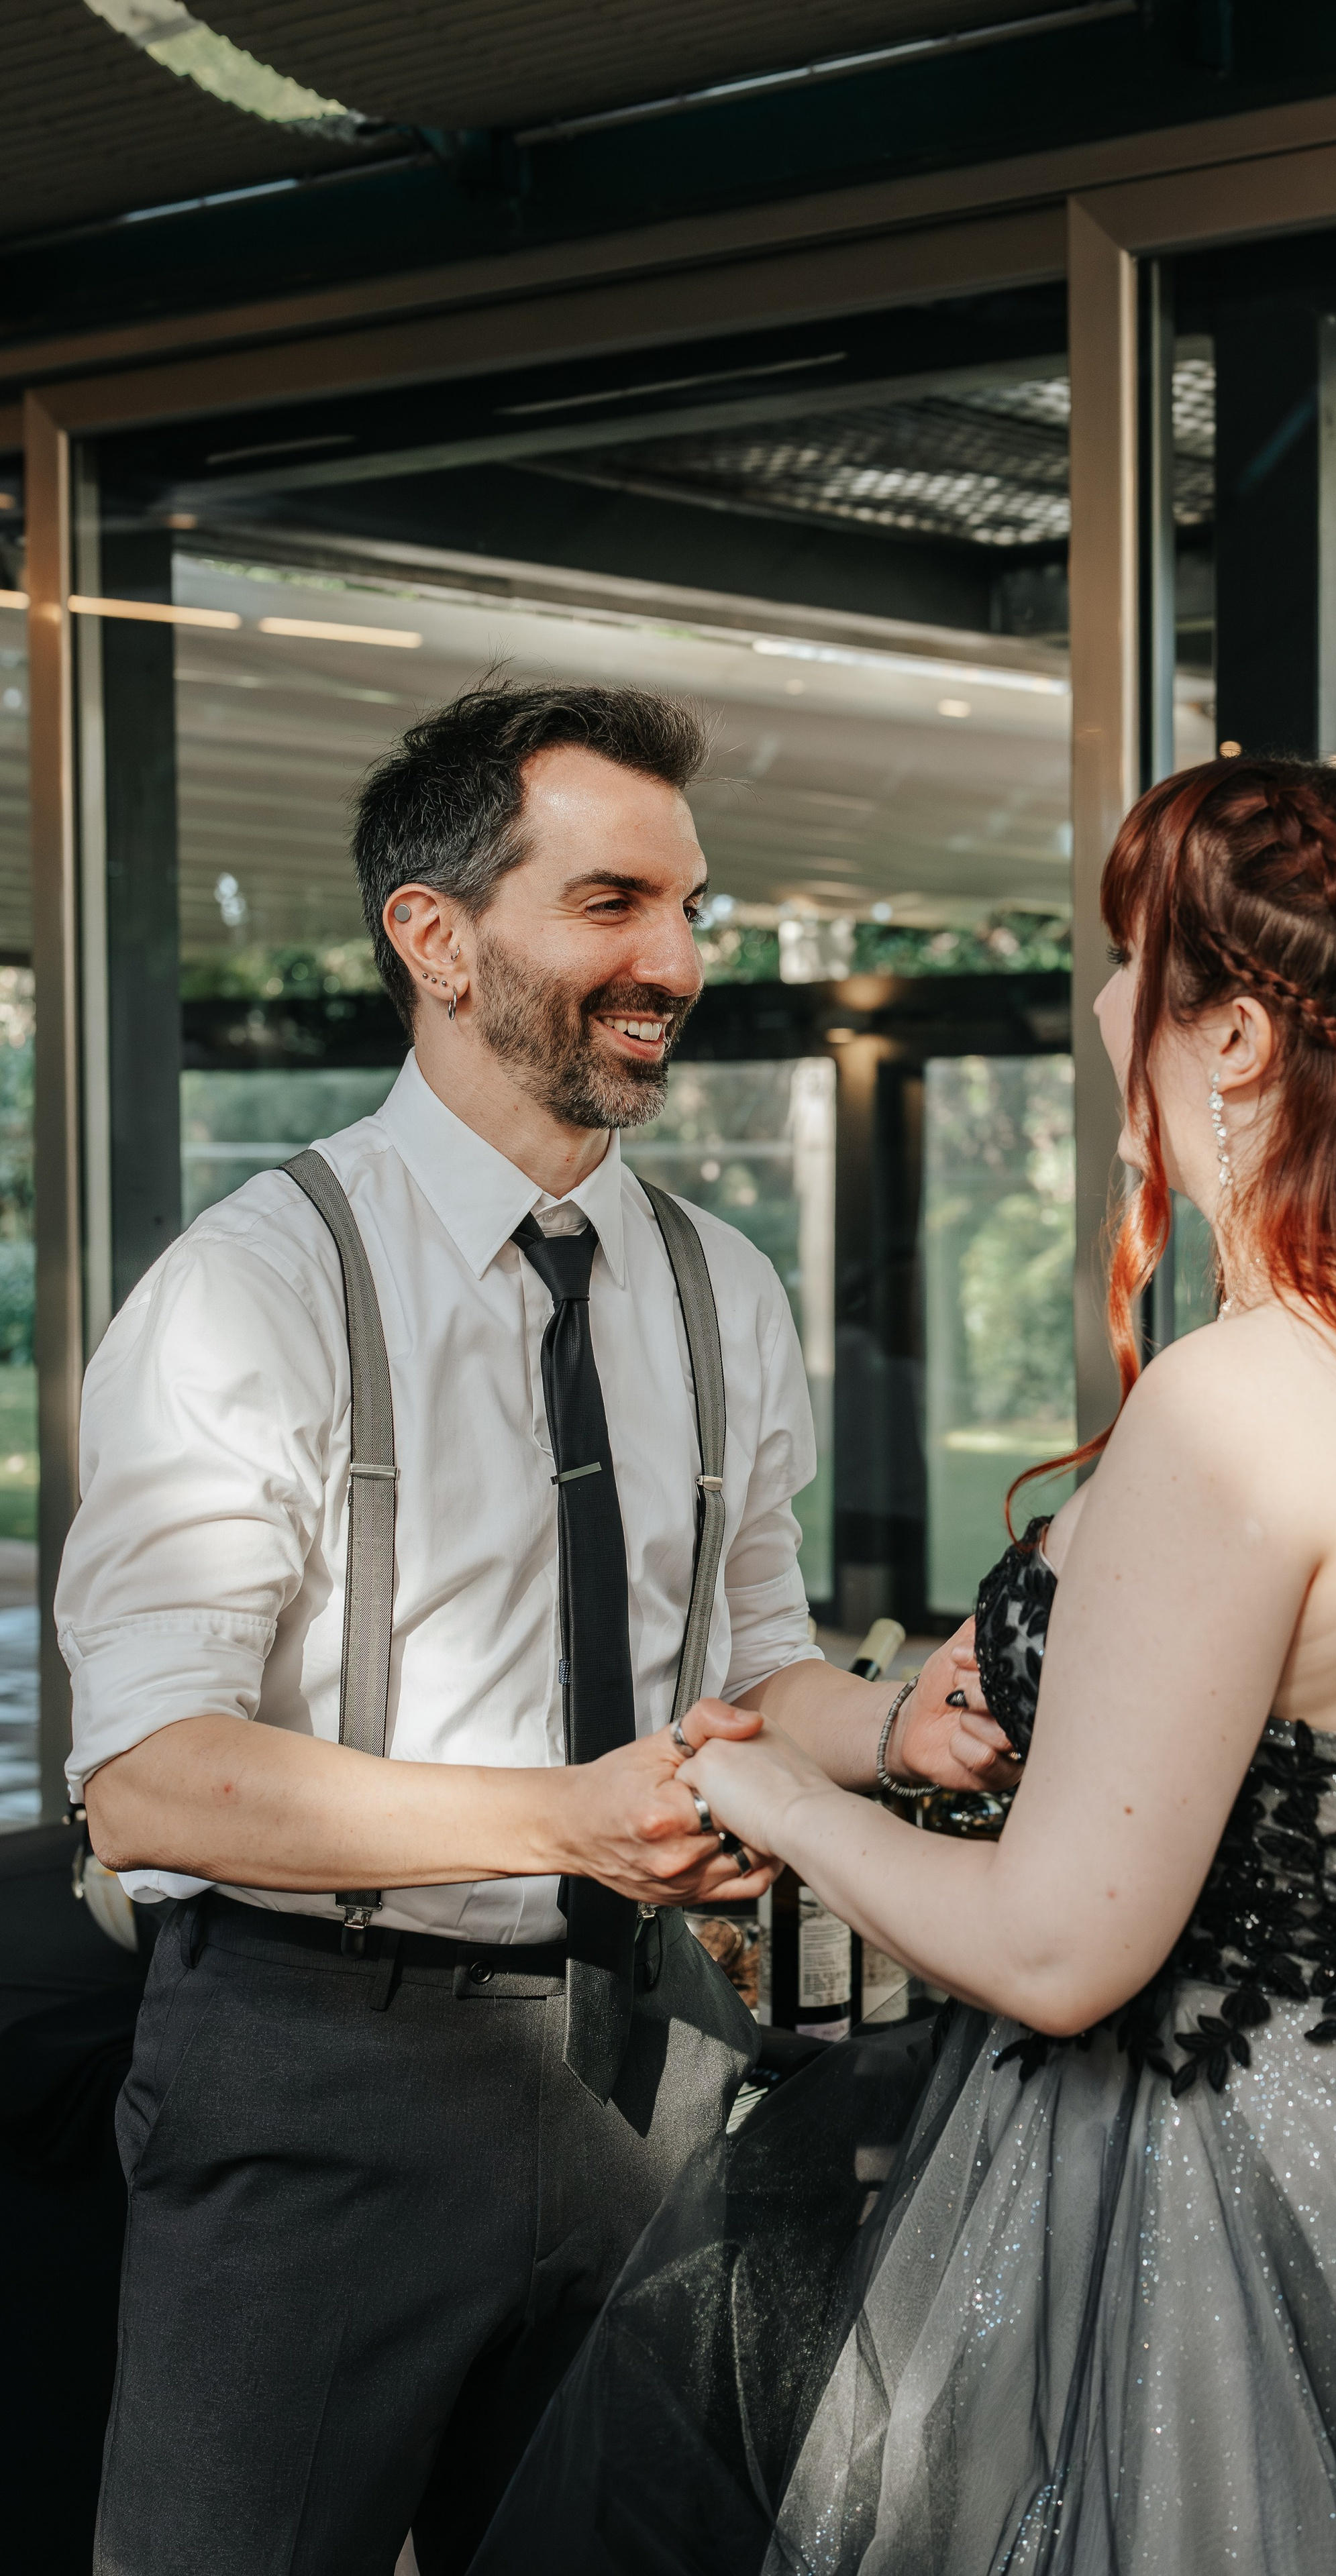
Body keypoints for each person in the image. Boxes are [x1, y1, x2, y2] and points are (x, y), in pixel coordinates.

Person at [475, 756, 1336, 2575]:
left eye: (1137, 961)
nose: (1109, 1005)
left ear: (1239, 1041)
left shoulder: (1239, 1403)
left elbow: (1059, 1952)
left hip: (1229, 2210)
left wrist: (757, 1786)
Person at [62, 680, 1015, 2576]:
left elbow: (752, 1667)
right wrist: (565, 1820)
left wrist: (895, 1722)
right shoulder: (252, 1287)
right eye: (611, 905)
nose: (677, 963)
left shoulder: (722, 1287)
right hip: (315, 2072)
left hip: (652, 2074)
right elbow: (148, 1779)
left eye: (689, 908)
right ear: (435, 937)